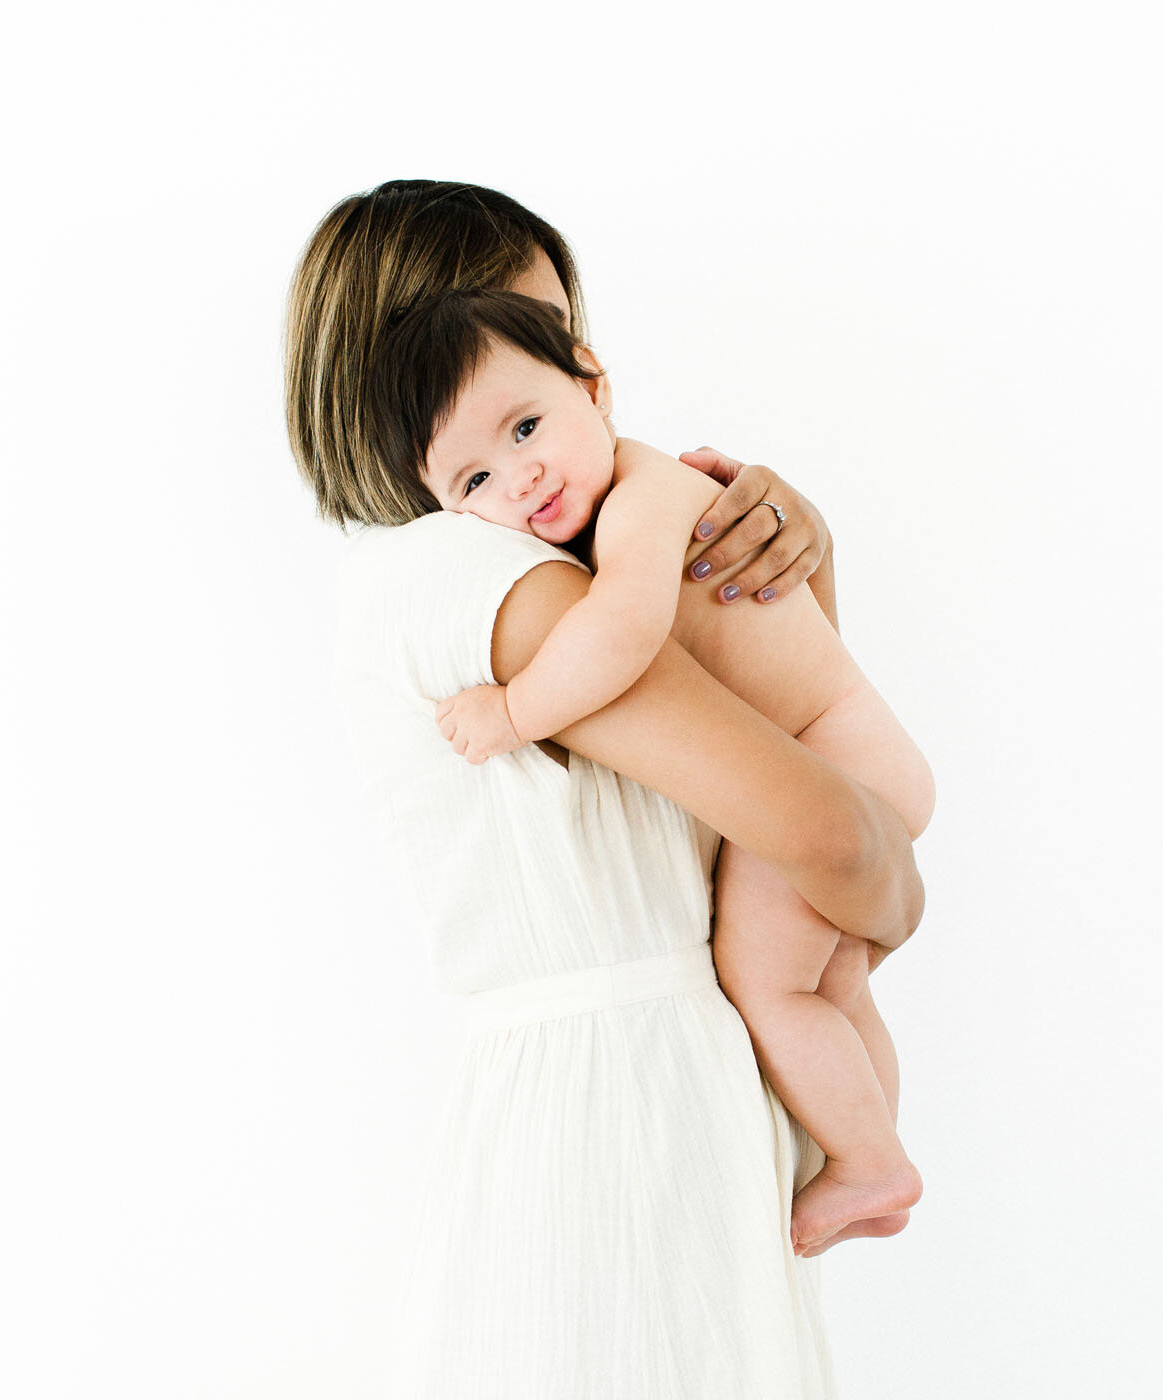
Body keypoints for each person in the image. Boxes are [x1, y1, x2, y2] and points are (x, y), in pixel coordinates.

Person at [286, 179, 925, 1397]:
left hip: (668, 1105)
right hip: (617, 1124)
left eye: (557, 333)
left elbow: (780, 787)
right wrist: (886, 882)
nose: (570, 373)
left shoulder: (560, 553)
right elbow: (831, 834)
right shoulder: (475, 580)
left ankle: (869, 1151)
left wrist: (792, 571)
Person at [367, 288, 935, 1257]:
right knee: (832, 991)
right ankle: (871, 1149)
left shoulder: (643, 494)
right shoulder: (603, 508)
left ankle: (872, 1160)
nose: (521, 475)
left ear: (595, 384)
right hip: (853, 752)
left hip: (835, 759)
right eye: (474, 479)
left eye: (528, 424)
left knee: (764, 984)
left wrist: (510, 711)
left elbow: (622, 634)